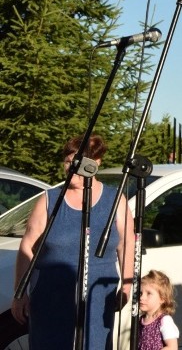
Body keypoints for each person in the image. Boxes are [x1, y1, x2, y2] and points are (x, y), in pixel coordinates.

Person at [12, 134, 135, 348]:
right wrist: (19, 293)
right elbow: (28, 246)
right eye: (68, 161)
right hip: (51, 297)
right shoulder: (49, 199)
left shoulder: (116, 200)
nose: (71, 167)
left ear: (95, 163)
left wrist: (126, 286)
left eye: (77, 162)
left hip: (98, 298)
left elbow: (126, 245)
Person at [138, 269, 179, 350]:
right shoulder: (141, 320)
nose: (142, 297)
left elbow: (172, 347)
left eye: (148, 293)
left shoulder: (164, 321)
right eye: (140, 293)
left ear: (162, 298)